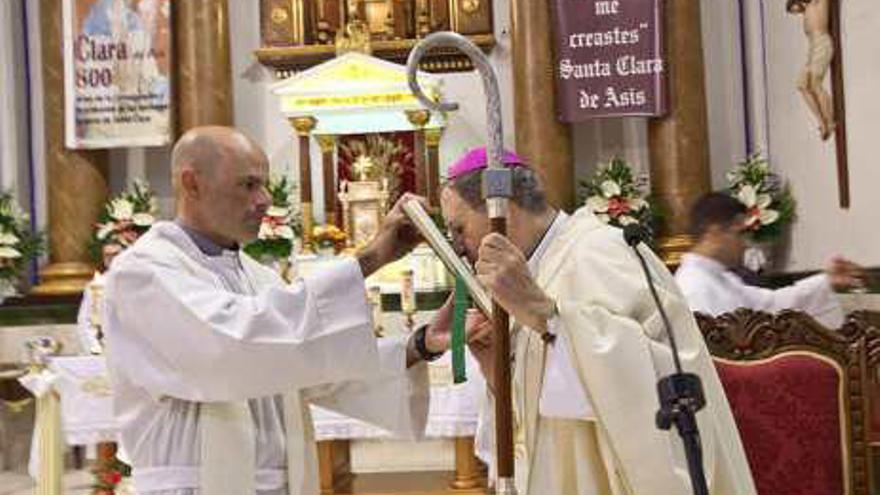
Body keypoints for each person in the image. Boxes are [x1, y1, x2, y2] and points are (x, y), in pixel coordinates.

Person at [103, 126, 460, 495]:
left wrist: (420, 346)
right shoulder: (143, 273)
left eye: (265, 185)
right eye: (248, 185)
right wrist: (368, 259)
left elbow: (313, 369)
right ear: (192, 184)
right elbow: (232, 348)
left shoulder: (259, 278)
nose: (264, 199)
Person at [433, 148, 756, 494]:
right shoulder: (537, 269)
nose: (460, 246)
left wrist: (548, 317)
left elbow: (649, 378)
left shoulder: (598, 251)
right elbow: (533, 426)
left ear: (504, 209)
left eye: (459, 228)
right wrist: (497, 367)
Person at [675, 192, 862, 329]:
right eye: (739, 234)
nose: (746, 245)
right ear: (714, 233)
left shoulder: (721, 279)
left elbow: (772, 304)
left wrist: (826, 281)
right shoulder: (694, 286)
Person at [787, 0, 835, 140]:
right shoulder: (807, 10)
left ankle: (830, 122)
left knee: (815, 83)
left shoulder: (817, 4)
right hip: (813, 49)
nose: (798, 13)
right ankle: (822, 122)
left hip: (822, 43)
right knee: (802, 85)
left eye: (795, 9)